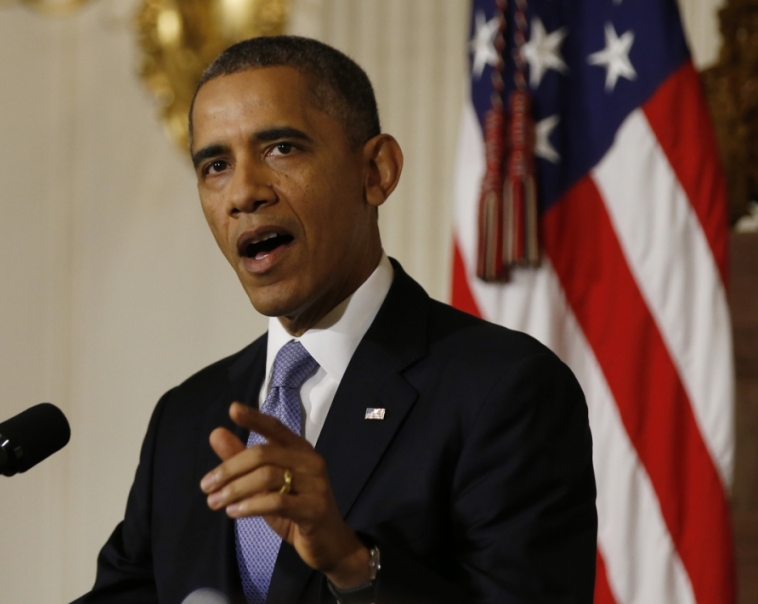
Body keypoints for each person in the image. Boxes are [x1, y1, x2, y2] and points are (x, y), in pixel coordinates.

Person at [73, 36, 596, 604]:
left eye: (281, 149)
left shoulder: (502, 388)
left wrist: (353, 564)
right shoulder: (186, 417)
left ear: (376, 171)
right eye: (216, 165)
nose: (243, 193)